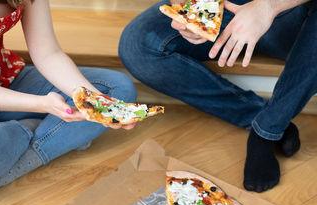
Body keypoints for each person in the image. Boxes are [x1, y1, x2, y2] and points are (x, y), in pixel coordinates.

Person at [0, 0, 137, 202]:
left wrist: (95, 100)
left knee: (117, 89)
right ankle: (38, 130)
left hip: (0, 76)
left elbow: (47, 53)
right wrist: (41, 104)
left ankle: (19, 158)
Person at [119, 0, 317, 193]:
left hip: (298, 15)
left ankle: (267, 130)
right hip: (229, 5)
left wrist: (267, 7)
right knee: (137, 45)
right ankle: (257, 115)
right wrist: (187, 12)